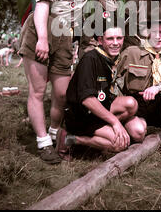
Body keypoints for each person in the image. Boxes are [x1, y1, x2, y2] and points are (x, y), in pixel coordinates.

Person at [18, 0, 106, 164]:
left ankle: (55, 134)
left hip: (65, 36)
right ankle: (43, 142)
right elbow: (42, 4)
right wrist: (43, 40)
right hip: (44, 29)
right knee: (37, 91)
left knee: (61, 94)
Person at [55, 19, 147, 160]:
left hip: (98, 109)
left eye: (119, 38)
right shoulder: (90, 59)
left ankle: (105, 131)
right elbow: (87, 100)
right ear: (100, 41)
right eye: (110, 39)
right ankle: (71, 139)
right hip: (81, 115)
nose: (115, 43)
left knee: (131, 104)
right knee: (119, 144)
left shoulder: (111, 58)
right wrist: (115, 122)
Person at [116, 13, 161, 159]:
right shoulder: (132, 52)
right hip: (137, 106)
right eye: (154, 32)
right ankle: (125, 127)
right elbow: (113, 77)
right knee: (138, 133)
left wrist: (159, 87)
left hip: (160, 104)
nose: (158, 36)